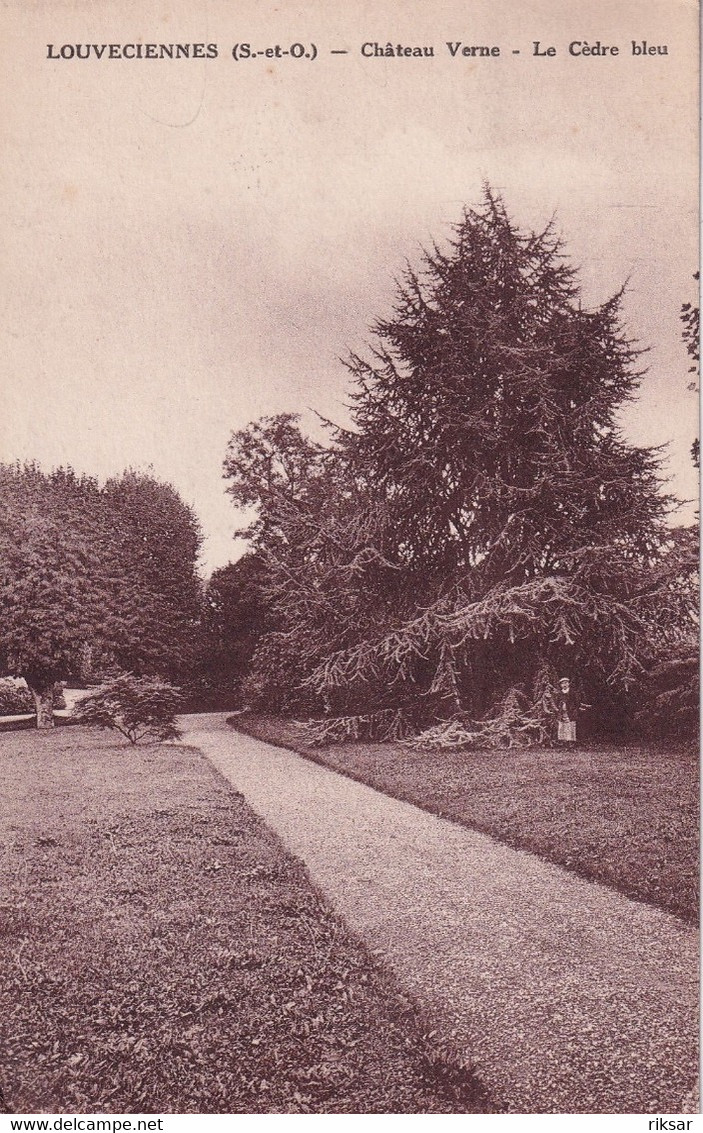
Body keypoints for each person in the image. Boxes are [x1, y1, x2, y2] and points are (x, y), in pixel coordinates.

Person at [557, 676, 578, 743]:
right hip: (562, 712)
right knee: (563, 726)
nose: (564, 685)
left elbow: (576, 702)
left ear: (568, 684)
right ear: (561, 685)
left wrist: (573, 709)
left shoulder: (572, 692)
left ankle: (571, 742)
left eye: (566, 683)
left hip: (570, 712)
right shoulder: (559, 693)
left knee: (570, 726)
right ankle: (563, 742)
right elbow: (557, 702)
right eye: (562, 683)